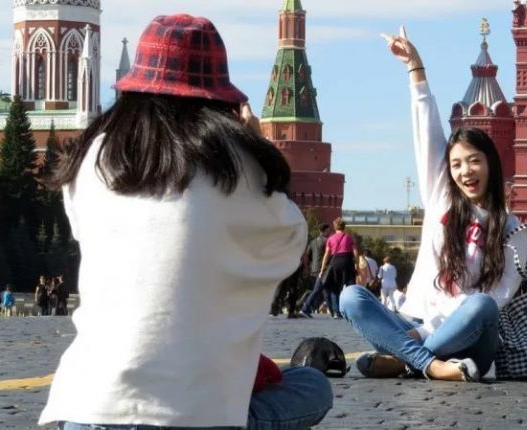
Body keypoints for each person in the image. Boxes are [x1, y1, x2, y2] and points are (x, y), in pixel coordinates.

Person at [37, 14, 331, 430]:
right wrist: (256, 147)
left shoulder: (93, 156)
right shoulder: (233, 161)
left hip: (84, 410)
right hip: (193, 416)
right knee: (312, 386)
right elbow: (289, 244)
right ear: (218, 100)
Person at [339, 27, 527, 382]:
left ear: (491, 163)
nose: (465, 171)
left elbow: (498, 297)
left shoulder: (512, 229)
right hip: (414, 324)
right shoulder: (440, 196)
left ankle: (406, 360)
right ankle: (431, 366)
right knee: (350, 297)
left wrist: (423, 336)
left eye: (474, 161)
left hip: (470, 338)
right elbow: (426, 131)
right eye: (456, 164)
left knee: (482, 304)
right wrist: (416, 68)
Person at [319, 217, 357, 319]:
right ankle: (352, 311)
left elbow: (326, 255)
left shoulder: (330, 239)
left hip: (335, 262)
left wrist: (322, 269)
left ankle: (336, 312)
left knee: (335, 288)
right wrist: (356, 264)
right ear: (344, 226)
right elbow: (355, 252)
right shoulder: (349, 238)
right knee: (350, 287)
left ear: (335, 227)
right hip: (347, 262)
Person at [297, 223, 332, 318]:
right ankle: (305, 309)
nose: (329, 232)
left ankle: (333, 311)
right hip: (323, 269)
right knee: (318, 290)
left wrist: (307, 268)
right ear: (324, 231)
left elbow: (308, 256)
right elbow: (329, 255)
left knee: (324, 290)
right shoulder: (327, 241)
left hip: (314, 270)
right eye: (328, 230)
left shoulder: (312, 242)